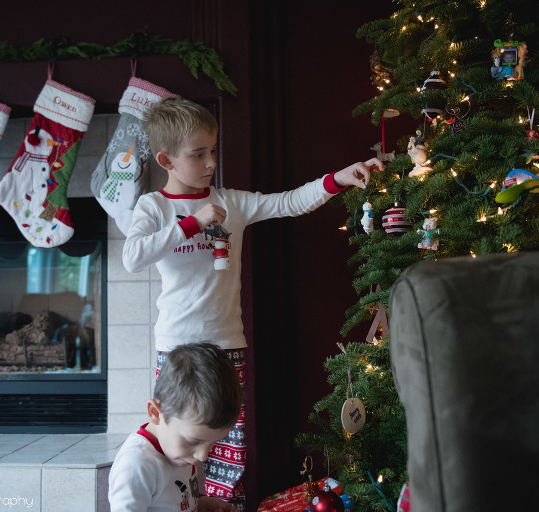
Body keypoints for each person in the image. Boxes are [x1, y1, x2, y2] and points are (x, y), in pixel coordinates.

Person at [122, 96, 383, 508]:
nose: (210, 163)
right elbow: (133, 257)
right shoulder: (153, 207)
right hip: (177, 348)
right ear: (166, 160)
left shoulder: (232, 203)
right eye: (198, 154)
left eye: (213, 151)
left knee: (227, 451)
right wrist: (191, 223)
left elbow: (288, 202)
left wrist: (338, 178)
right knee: (181, 442)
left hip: (228, 345)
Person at [108, 342, 243, 512]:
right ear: (156, 413)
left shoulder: (180, 454)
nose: (202, 456)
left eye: (212, 443)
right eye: (192, 441)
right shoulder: (137, 466)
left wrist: (203, 505)